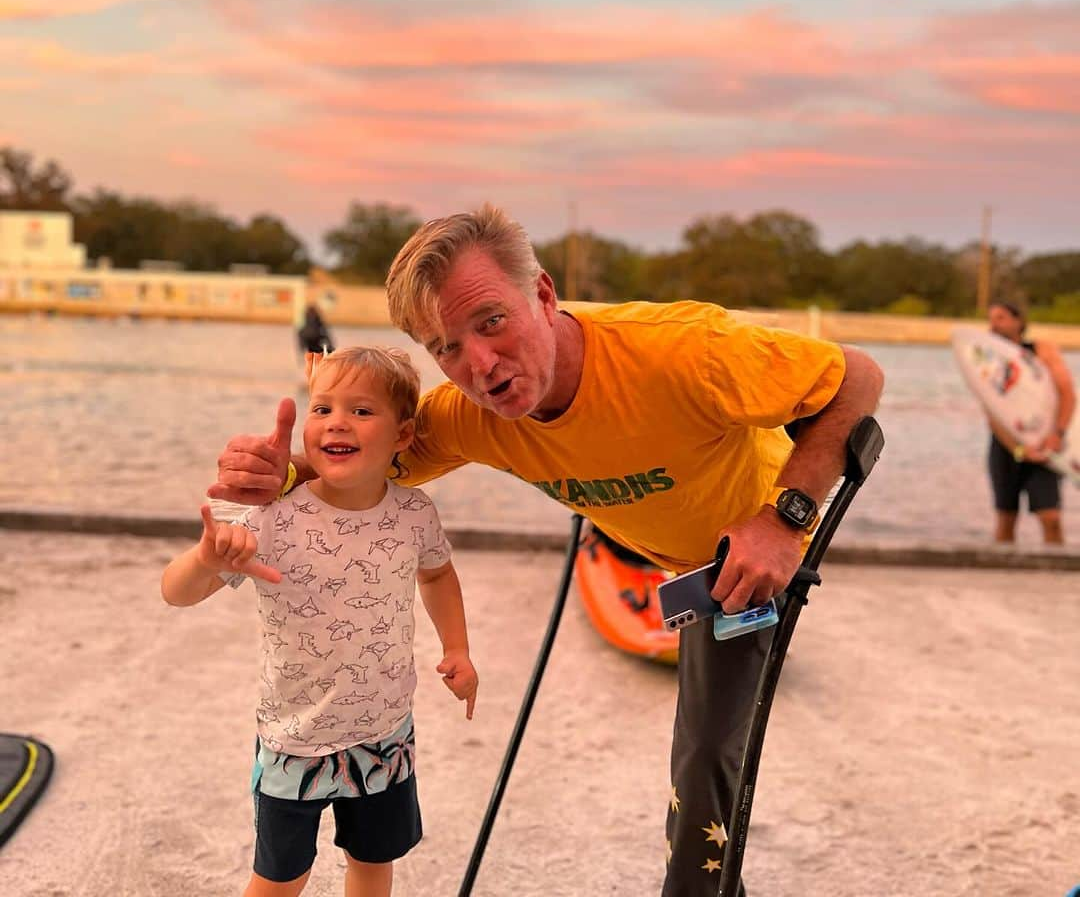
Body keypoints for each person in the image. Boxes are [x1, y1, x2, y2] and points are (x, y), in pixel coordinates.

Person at [210, 205, 884, 897]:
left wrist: (785, 518)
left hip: (745, 558)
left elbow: (858, 379)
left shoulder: (685, 351)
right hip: (651, 546)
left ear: (544, 293)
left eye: (492, 321)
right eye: (445, 347)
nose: (479, 364)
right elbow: (376, 460)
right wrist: (284, 472)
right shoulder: (469, 418)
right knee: (705, 771)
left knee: (705, 769)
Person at [164, 345, 478, 897]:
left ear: (403, 435)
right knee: (281, 877)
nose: (337, 422)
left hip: (385, 732)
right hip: (295, 739)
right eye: (322, 408)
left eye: (361, 411)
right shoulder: (270, 516)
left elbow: (437, 575)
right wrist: (205, 559)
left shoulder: (414, 512)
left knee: (373, 861)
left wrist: (458, 648)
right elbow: (176, 593)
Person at [986, 300, 1074, 546]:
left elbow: (1067, 394)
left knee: (1051, 518)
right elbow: (992, 414)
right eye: (991, 319)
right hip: (1006, 447)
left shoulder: (1041, 351)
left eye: (1001, 318)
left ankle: (1057, 574)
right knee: (1005, 519)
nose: (994, 324)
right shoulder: (988, 359)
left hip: (1046, 443)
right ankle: (1003, 578)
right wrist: (1018, 449)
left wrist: (1057, 434)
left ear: (1019, 322)